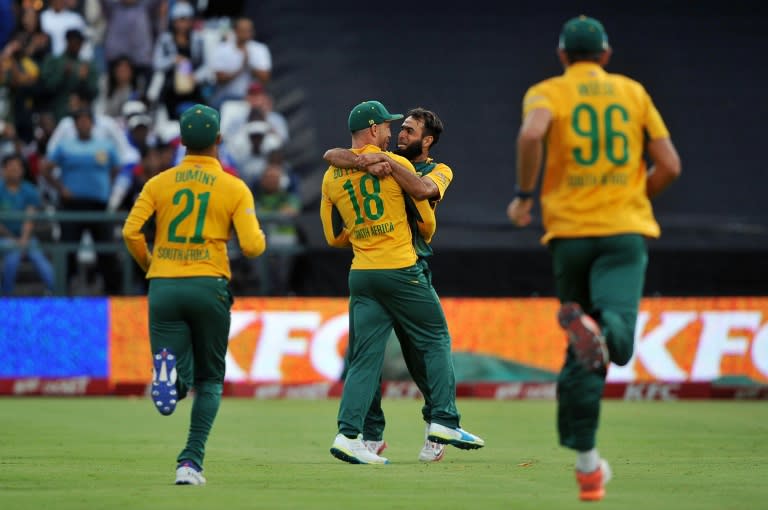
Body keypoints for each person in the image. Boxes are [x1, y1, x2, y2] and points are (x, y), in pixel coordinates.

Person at [506, 16, 681, 501]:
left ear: (563, 56)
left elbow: (530, 135)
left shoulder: (546, 92)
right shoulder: (633, 92)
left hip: (569, 236)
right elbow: (670, 165)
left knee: (582, 355)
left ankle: (588, 468)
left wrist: (524, 195)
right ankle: (601, 333)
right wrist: (634, 198)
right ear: (605, 55)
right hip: (621, 231)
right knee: (616, 341)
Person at [320, 100, 483, 465]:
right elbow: (427, 225)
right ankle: (438, 422)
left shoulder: (437, 169)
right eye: (396, 127)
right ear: (375, 129)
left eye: (409, 130)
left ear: (427, 141)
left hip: (363, 271)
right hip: (404, 268)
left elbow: (424, 190)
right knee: (433, 342)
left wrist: (363, 226)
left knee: (370, 357)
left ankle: (352, 434)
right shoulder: (394, 164)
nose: (399, 133)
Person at [122, 104, 266, 485]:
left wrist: (152, 264)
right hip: (209, 285)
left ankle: (171, 378)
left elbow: (130, 232)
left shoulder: (158, 183)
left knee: (175, 371)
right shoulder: (234, 186)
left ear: (182, 142)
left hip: (164, 284)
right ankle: (190, 462)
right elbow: (252, 247)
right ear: (219, 139)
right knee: (211, 381)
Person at [42, 107, 123, 295]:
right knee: (68, 250)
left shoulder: (105, 145)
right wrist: (61, 188)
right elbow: (46, 168)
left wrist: (105, 186)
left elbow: (116, 168)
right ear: (75, 125)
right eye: (80, 121)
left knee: (107, 250)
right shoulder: (65, 145)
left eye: (87, 120)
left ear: (92, 124)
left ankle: (114, 293)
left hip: (99, 206)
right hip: (72, 207)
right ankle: (63, 291)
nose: (83, 124)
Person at [0, 153, 55, 295]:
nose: (15, 170)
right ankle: (7, 297)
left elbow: (29, 218)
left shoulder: (29, 190)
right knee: (12, 257)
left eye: (18, 167)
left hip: (27, 237)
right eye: (11, 167)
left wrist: (23, 240)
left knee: (39, 259)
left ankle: (56, 292)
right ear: (3, 170)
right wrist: (15, 241)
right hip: (4, 238)